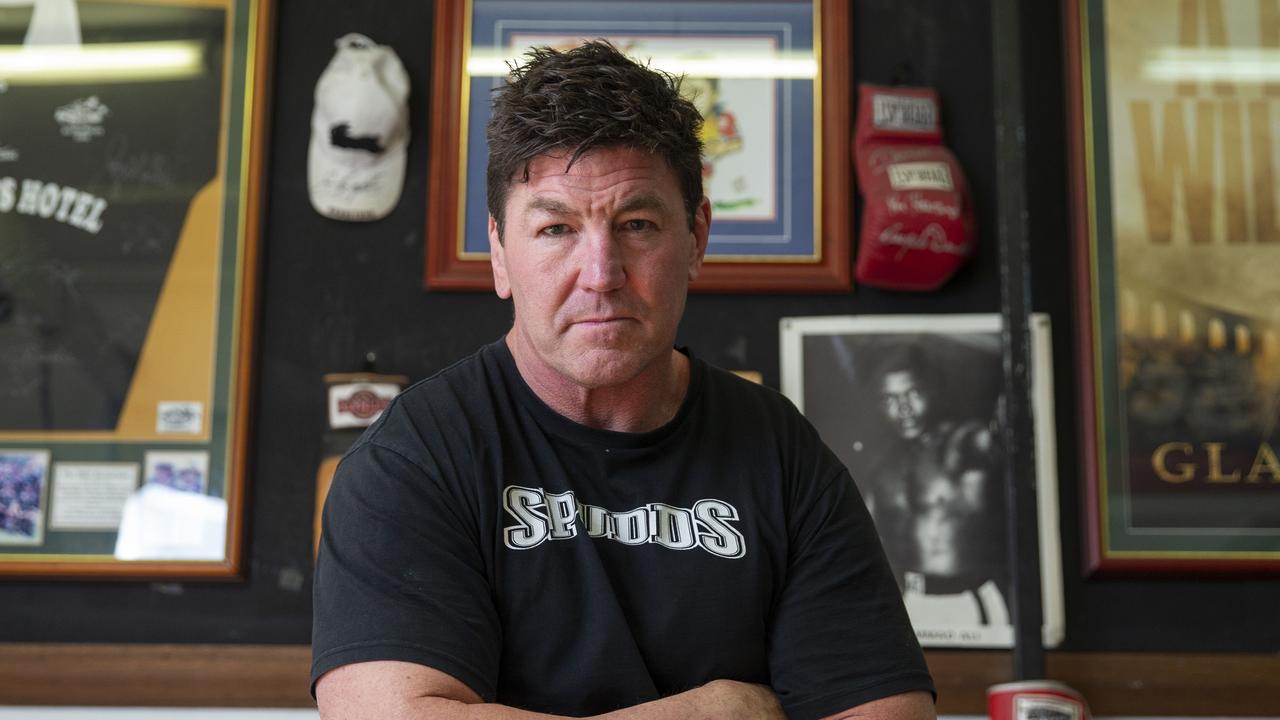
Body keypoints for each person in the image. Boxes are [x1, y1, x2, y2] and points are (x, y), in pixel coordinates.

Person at [311, 41, 934, 719]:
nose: (600, 272)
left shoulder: (779, 450)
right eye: (555, 229)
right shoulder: (418, 456)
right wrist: (715, 711)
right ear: (499, 252)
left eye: (636, 224)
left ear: (697, 236)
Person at [864, 347, 1009, 629]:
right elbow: (867, 540)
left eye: (912, 394)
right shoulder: (881, 465)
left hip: (967, 601)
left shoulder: (963, 441)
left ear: (931, 392)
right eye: (890, 399)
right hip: (907, 602)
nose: (903, 408)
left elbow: (996, 439)